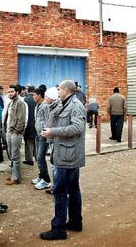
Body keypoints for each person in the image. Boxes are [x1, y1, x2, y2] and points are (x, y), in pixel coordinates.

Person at [40, 80, 86, 240]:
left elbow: (77, 128)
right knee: (73, 189)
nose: (57, 91)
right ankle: (75, 222)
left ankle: (58, 229)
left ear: (66, 91)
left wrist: (53, 131)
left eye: (59, 89)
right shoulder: (65, 103)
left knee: (60, 191)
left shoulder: (75, 105)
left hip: (68, 157)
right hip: (67, 154)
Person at [4, 84, 26, 185]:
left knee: (15, 156)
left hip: (15, 133)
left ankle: (16, 178)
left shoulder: (20, 103)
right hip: (9, 131)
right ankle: (14, 174)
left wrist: (16, 132)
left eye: (12, 91)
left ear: (17, 92)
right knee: (11, 155)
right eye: (8, 92)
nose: (10, 93)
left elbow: (21, 120)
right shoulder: (11, 102)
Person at [32, 87, 51, 190]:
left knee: (40, 157)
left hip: (43, 135)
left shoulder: (45, 106)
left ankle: (46, 180)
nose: (33, 97)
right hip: (37, 134)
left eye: (34, 95)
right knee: (37, 156)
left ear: (39, 95)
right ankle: (41, 176)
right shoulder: (37, 105)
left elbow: (48, 121)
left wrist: (45, 133)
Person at [23, 85, 37, 166]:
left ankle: (29, 159)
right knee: (36, 141)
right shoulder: (37, 99)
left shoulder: (25, 99)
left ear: (28, 90)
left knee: (28, 143)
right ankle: (36, 157)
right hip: (36, 124)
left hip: (28, 124)